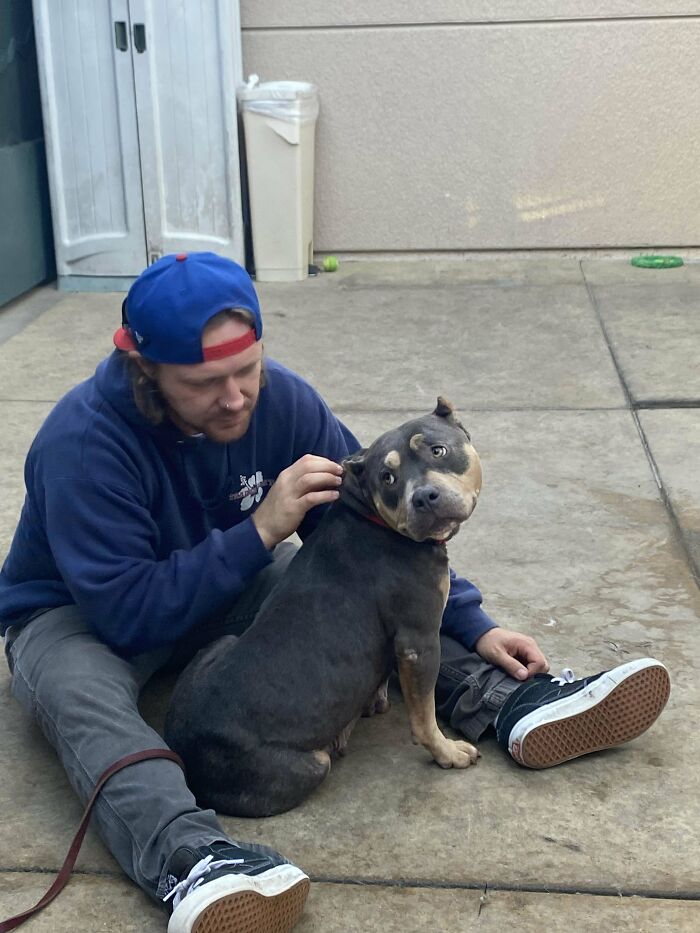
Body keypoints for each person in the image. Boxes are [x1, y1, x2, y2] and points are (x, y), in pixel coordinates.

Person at [0, 253, 669, 933]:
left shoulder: (281, 401)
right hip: (81, 612)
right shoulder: (83, 444)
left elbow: (377, 532)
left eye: (246, 369)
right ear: (145, 370)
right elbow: (128, 615)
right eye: (203, 383)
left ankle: (504, 697)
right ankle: (192, 856)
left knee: (348, 578)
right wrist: (260, 530)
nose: (234, 398)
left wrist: (473, 622)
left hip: (226, 580)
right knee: (82, 699)